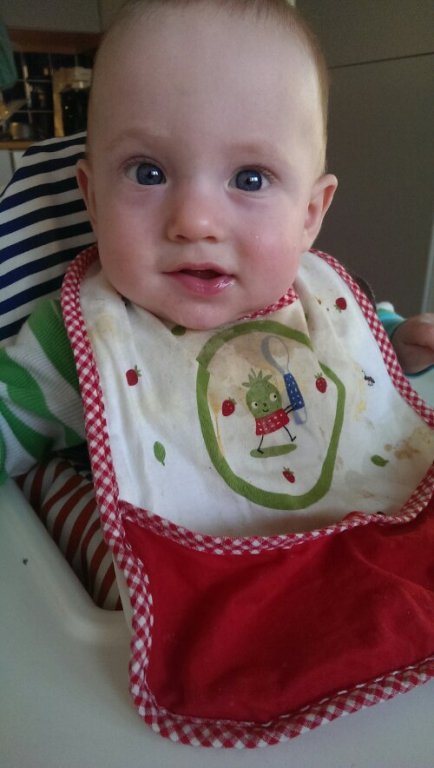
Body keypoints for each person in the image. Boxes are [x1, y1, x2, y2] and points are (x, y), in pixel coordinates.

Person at [1, 0, 434, 748]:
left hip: (369, 570)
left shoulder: (322, 298)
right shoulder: (85, 338)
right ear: (91, 196)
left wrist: (400, 341)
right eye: (148, 172)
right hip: (193, 609)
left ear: (311, 213)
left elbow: (356, 351)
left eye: (251, 177)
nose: (195, 220)